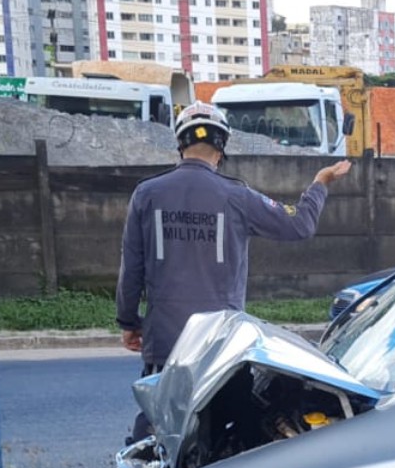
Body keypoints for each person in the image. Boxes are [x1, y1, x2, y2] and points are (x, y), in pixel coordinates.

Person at [117, 101, 351, 441]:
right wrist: (319, 184)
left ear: (180, 145)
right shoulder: (236, 196)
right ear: (221, 146)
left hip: (166, 343)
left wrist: (128, 321)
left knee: (160, 433)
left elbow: (131, 268)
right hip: (221, 346)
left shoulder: (146, 194)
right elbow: (300, 224)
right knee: (238, 432)